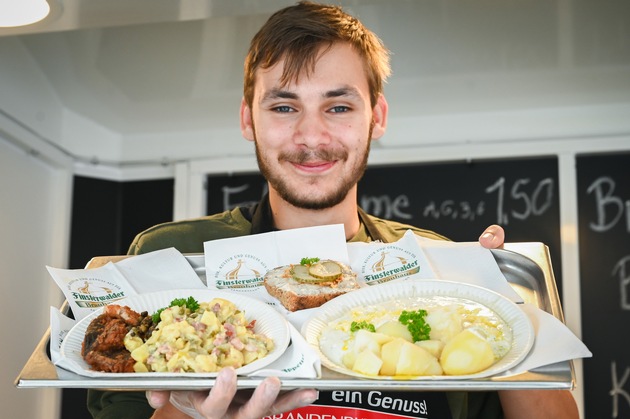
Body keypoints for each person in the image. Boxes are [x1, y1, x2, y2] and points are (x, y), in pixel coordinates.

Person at [87, 2, 578, 418]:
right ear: (247, 119)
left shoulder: (441, 267)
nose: (312, 137)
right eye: (283, 107)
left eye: (338, 107)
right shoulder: (170, 256)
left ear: (376, 117)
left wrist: (501, 301)